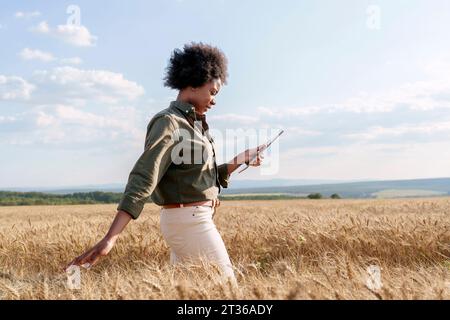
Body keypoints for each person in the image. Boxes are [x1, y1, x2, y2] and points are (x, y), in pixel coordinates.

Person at [65, 42, 264, 282]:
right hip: (189, 222)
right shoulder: (168, 122)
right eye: (212, 92)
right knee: (226, 287)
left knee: (188, 292)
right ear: (192, 83)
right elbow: (145, 176)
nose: (214, 101)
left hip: (193, 219)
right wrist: (111, 237)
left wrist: (237, 161)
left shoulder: (196, 125)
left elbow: (196, 177)